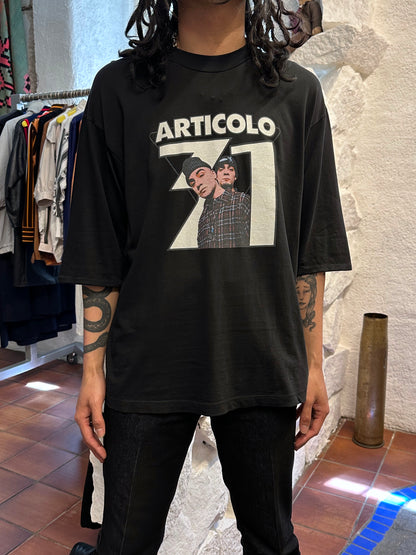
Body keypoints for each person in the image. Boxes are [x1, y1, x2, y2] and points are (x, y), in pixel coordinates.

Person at [60, 1, 351, 554]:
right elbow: (100, 248)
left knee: (272, 542)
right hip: (147, 364)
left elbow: (309, 248)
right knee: (123, 544)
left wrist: (313, 364)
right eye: (195, 177)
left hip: (262, 358)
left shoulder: (297, 92)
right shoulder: (119, 89)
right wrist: (92, 370)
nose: (202, 180)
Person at [182, 156, 250, 248]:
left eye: (201, 175)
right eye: (192, 183)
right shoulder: (202, 219)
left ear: (213, 174)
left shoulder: (241, 201)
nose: (197, 184)